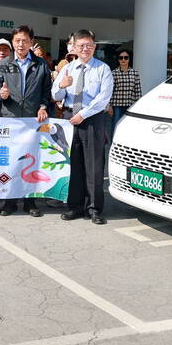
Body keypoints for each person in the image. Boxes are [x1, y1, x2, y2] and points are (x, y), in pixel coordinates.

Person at [0, 25, 53, 217]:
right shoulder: (4, 63)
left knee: (30, 161)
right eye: (17, 40)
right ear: (12, 42)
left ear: (31, 42)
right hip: (10, 120)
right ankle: (9, 202)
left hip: (32, 120)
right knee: (11, 161)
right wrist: (0, 93)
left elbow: (46, 91)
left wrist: (43, 106)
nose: (20, 44)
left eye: (24, 41)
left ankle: (29, 201)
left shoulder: (41, 64)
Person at [52, 29, 113, 225]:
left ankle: (94, 208)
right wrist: (62, 85)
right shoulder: (67, 68)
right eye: (81, 46)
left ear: (94, 47)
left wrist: (83, 114)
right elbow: (55, 96)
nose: (85, 49)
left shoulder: (103, 69)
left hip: (92, 118)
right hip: (70, 119)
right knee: (74, 165)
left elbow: (103, 98)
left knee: (94, 166)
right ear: (74, 47)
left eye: (89, 45)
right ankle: (75, 207)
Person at [108, 50, 141, 143]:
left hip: (130, 105)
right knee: (116, 126)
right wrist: (109, 106)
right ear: (118, 60)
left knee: (128, 127)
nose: (123, 60)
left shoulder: (135, 73)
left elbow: (137, 90)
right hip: (117, 106)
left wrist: (138, 106)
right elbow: (109, 91)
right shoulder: (113, 73)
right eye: (121, 58)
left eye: (126, 57)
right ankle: (113, 145)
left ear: (129, 59)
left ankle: (125, 145)